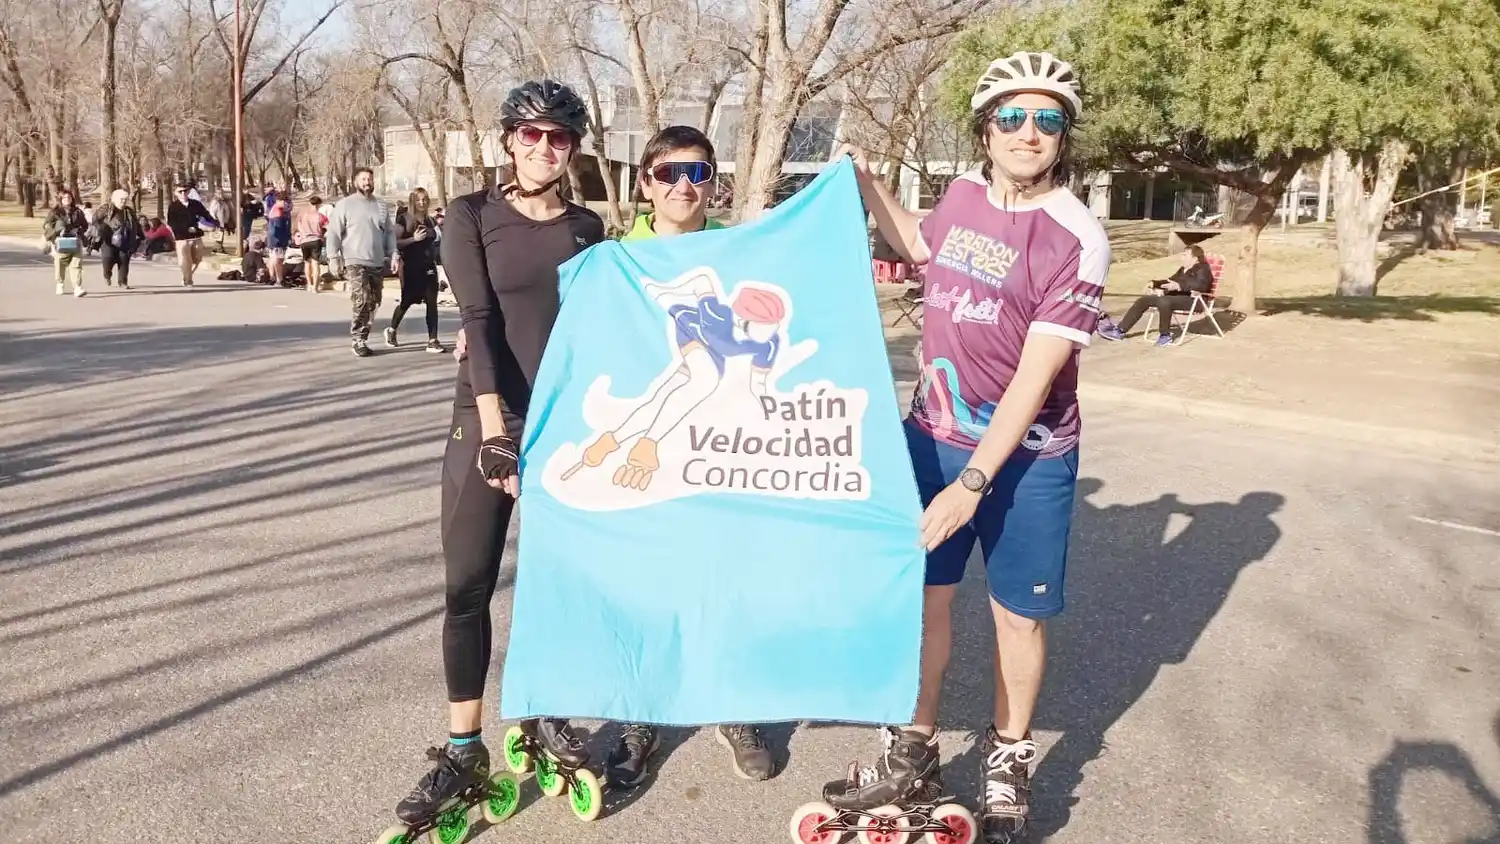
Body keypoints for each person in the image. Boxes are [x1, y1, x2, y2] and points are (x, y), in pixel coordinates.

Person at [826, 51, 1108, 842]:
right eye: (1012, 118)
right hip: (933, 438)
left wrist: (973, 482)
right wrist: (868, 184)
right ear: (986, 130)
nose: (1028, 132)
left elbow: (1035, 374)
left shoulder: (1077, 236)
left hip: (1030, 458)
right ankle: (911, 748)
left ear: (1063, 137)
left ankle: (1008, 758)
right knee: (922, 602)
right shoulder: (960, 197)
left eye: (1047, 120)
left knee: (1017, 617)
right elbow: (921, 244)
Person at [392, 78, 605, 825]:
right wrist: (495, 431)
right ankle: (462, 748)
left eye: (559, 137)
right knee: (468, 586)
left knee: (556, 585)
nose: (544, 148)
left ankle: (543, 710)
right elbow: (478, 320)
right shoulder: (471, 213)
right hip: (486, 418)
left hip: (563, 425)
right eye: (531, 134)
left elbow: (596, 330)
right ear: (508, 139)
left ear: (572, 148)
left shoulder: (587, 228)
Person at [573, 125, 777, 789]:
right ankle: (643, 715)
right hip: (650, 455)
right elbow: (574, 344)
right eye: (670, 173)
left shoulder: (737, 254)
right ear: (645, 183)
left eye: (700, 173)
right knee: (649, 588)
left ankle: (733, 707)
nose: (685, 186)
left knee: (726, 580)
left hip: (720, 452)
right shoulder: (615, 263)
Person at [325, 167, 399, 357]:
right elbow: (333, 232)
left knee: (375, 301)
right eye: (363, 179)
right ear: (356, 182)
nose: (367, 182)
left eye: (370, 179)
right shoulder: (345, 204)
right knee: (362, 299)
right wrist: (333, 257)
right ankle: (357, 338)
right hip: (354, 259)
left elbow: (389, 232)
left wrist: (394, 253)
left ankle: (363, 338)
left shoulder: (381, 205)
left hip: (376, 259)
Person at [1096, 245, 1213, 345]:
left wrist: (1179, 286)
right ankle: (1120, 330)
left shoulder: (1203, 268)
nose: (1181, 257)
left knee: (1165, 301)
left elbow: (1201, 286)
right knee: (1144, 300)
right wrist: (1155, 283)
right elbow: (1170, 282)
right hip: (1179, 298)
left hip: (1195, 301)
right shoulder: (1183, 270)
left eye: (1185, 255)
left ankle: (1165, 336)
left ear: (1195, 258)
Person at [383, 187, 445, 352]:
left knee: (432, 303)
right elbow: (394, 243)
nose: (421, 203)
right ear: (412, 201)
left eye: (424, 199)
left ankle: (433, 340)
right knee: (407, 301)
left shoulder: (431, 221)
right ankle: (391, 330)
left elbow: (439, 240)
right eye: (418, 200)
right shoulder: (404, 219)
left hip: (429, 266)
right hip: (410, 266)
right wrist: (413, 239)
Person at [93, 188, 143, 289]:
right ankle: (107, 275)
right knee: (108, 259)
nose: (123, 201)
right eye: (121, 199)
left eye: (125, 199)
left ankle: (123, 282)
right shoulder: (106, 208)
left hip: (124, 239)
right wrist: (101, 229)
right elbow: (95, 219)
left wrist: (141, 235)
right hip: (108, 239)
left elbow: (136, 224)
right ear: (114, 199)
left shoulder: (129, 211)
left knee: (124, 260)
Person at [43, 189, 89, 297]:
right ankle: (60, 283)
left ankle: (77, 287)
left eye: (69, 197)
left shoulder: (78, 212)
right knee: (60, 264)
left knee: (76, 264)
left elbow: (85, 226)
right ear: (60, 199)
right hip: (60, 242)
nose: (67, 199)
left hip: (75, 241)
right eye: (64, 198)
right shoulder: (55, 212)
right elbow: (46, 226)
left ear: (72, 199)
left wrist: (78, 230)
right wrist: (58, 231)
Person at [166, 182, 212, 287]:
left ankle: (188, 275)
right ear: (176, 193)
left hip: (195, 235)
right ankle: (187, 279)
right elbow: (171, 222)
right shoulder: (173, 206)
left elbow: (205, 214)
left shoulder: (195, 204)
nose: (183, 193)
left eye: (185, 191)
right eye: (180, 191)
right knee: (185, 261)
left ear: (189, 192)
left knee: (198, 258)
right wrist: (186, 228)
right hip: (181, 237)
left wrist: (215, 222)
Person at [293, 195, 326, 292]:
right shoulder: (320, 216)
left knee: (307, 263)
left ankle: (309, 284)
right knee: (315, 263)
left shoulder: (303, 215)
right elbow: (328, 226)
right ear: (319, 205)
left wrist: (303, 233)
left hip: (305, 241)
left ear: (310, 203)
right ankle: (315, 287)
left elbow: (298, 225)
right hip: (316, 240)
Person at [264, 183, 293, 286]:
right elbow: (278, 227)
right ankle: (279, 279)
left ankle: (272, 277)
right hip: (278, 238)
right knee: (278, 259)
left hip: (273, 238)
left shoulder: (274, 209)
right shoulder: (279, 211)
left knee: (273, 258)